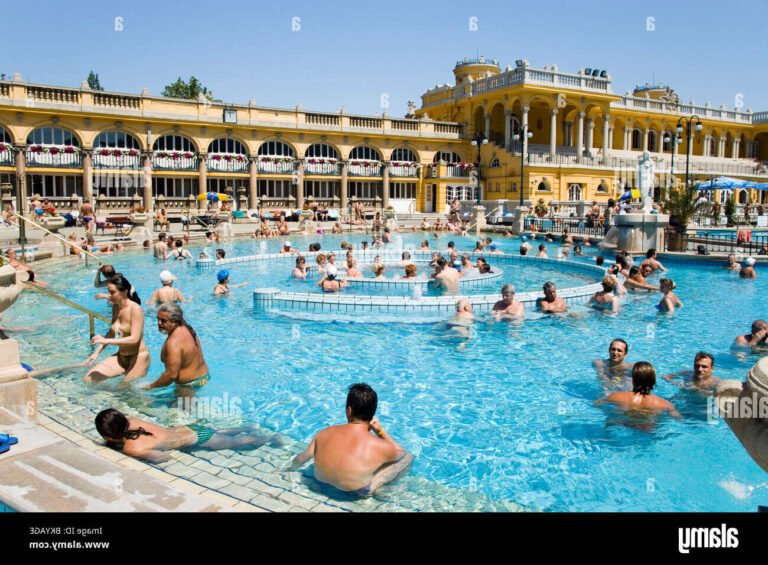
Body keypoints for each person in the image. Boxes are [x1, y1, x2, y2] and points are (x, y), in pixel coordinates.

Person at [284, 383, 413, 494]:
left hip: (320, 482)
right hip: (356, 492)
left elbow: (302, 457)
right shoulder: (379, 445)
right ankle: (378, 488)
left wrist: (289, 469)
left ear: (349, 410)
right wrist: (380, 432)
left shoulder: (324, 432)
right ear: (372, 414)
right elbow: (401, 453)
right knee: (408, 457)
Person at [95, 408, 280, 463]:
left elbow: (163, 457)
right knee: (221, 432)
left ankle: (270, 438)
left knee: (240, 442)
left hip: (199, 439)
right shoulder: (134, 421)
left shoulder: (132, 448)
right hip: (187, 428)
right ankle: (249, 426)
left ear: (109, 435)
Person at [84, 275, 150, 384]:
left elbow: (135, 339)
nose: (109, 295)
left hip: (138, 357)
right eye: (108, 292)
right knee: (89, 379)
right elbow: (111, 332)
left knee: (123, 391)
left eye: (112, 292)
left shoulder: (135, 309)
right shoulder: (116, 307)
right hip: (122, 356)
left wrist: (106, 341)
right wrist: (96, 353)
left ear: (124, 291)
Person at [142, 303, 210, 389]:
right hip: (204, 378)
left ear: (175, 322)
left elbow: (171, 375)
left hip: (188, 386)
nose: (159, 323)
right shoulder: (188, 329)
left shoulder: (174, 343)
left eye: (163, 320)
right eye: (158, 319)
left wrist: (150, 386)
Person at [594, 362, 681, 419]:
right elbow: (679, 419)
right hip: (647, 430)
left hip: (622, 424)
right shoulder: (665, 404)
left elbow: (596, 404)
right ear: (653, 381)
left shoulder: (616, 396)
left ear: (633, 379)